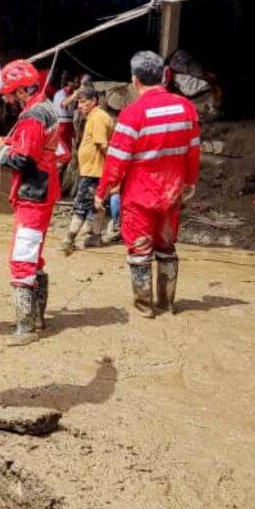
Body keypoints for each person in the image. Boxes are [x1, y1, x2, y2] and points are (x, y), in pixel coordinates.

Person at [95, 50, 200, 318]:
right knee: (166, 247)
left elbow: (116, 161)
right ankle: (167, 302)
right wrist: (190, 181)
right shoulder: (186, 108)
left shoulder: (132, 114)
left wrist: (103, 191)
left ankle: (144, 306)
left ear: (135, 79)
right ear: (164, 75)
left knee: (140, 249)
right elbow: (193, 150)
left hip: (139, 195)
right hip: (172, 191)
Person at [0, 59, 61, 346]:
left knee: (22, 258)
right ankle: (36, 319)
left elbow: (22, 159)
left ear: (19, 90)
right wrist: (5, 142)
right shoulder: (43, 107)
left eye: (8, 93)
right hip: (43, 188)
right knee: (33, 255)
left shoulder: (32, 117)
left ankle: (26, 326)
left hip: (33, 192)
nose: (6, 99)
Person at [61, 88, 114, 252]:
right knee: (96, 204)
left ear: (94, 101)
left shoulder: (97, 118)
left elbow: (103, 144)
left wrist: (112, 165)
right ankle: (95, 236)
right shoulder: (95, 117)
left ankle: (69, 238)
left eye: (84, 102)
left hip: (94, 170)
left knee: (82, 204)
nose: (80, 105)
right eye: (79, 102)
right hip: (93, 169)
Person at [52, 71, 79, 172]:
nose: (77, 84)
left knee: (67, 156)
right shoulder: (60, 94)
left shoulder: (72, 94)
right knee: (62, 155)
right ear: (69, 82)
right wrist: (75, 95)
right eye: (75, 82)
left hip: (69, 126)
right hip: (61, 126)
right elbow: (64, 104)